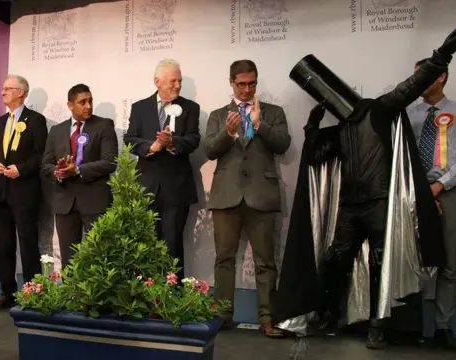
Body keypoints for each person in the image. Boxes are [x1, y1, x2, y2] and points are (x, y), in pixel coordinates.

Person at [273, 24, 456, 349]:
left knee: (380, 262)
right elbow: (314, 158)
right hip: (351, 208)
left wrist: (442, 56)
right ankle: (329, 311)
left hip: (379, 204)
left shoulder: (379, 110)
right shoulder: (340, 131)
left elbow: (414, 85)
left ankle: (379, 325)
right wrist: (312, 126)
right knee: (336, 258)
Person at [204, 60, 291, 337]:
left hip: (261, 195)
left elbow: (283, 144)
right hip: (227, 195)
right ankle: (222, 315)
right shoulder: (219, 115)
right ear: (231, 82)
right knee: (224, 259)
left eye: (251, 83)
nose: (246, 89)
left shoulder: (273, 112)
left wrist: (260, 125)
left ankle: (268, 318)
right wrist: (228, 134)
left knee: (266, 261)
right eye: (241, 83)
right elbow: (209, 150)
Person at [408, 57, 456, 351]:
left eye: (422, 76)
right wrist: (422, 191)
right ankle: (410, 325)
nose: (415, 83)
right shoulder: (408, 115)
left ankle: (443, 327)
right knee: (410, 261)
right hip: (414, 193)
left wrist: (438, 187)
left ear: (441, 77)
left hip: (450, 193)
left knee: (449, 265)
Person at [123, 59, 200, 279]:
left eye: (180, 81)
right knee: (145, 245)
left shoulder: (191, 108)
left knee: (173, 245)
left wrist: (173, 143)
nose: (177, 85)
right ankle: (147, 297)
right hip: (146, 189)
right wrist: (152, 146)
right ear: (157, 81)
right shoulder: (140, 107)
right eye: (172, 81)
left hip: (177, 189)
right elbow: (130, 139)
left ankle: (173, 300)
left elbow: (194, 140)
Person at [0, 75, 48, 309]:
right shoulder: (0, 121)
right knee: (4, 245)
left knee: (28, 244)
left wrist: (21, 169)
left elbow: (41, 153)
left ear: (21, 92)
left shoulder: (36, 120)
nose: (2, 92)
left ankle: (33, 293)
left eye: (7, 89)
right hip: (0, 193)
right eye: (2, 88)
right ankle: (7, 292)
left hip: (24, 192)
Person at [40, 84, 118, 265]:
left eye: (90, 101)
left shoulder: (104, 126)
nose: (88, 106)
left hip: (95, 201)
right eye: (82, 102)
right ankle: (71, 294)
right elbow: (45, 165)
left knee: (99, 258)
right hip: (65, 203)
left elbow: (110, 162)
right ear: (70, 105)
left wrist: (77, 170)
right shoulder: (56, 131)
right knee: (69, 261)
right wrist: (58, 172)